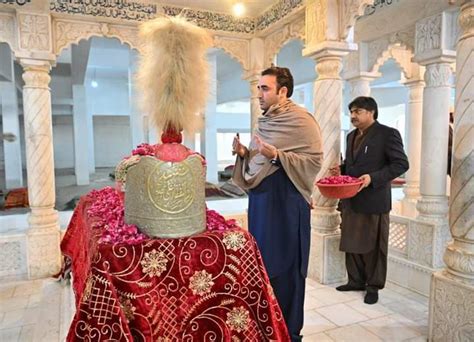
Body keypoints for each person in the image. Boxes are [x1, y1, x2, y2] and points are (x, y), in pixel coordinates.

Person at [232, 66, 323, 341]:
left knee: (286, 267)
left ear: (282, 92)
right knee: (264, 265)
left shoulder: (302, 120)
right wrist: (245, 153)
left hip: (286, 202)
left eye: (264, 88)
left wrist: (277, 156)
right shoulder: (266, 122)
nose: (259, 94)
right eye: (258, 88)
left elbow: (314, 160)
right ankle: (266, 325)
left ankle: (290, 331)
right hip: (262, 202)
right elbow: (259, 160)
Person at [330, 96, 409, 305]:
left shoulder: (388, 134)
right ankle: (355, 280)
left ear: (371, 112)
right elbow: (353, 164)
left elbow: (401, 164)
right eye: (351, 112)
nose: (353, 116)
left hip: (374, 200)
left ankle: (373, 286)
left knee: (374, 246)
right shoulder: (351, 136)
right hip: (351, 198)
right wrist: (343, 169)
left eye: (357, 111)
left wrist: (373, 178)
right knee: (351, 242)